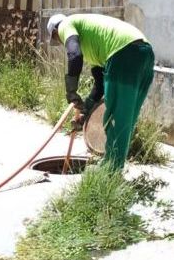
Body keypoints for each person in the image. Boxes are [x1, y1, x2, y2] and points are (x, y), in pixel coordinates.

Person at [46, 13, 155, 169]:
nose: (61, 41)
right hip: (145, 54)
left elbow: (75, 55)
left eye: (57, 38)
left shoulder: (66, 24)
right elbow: (100, 86)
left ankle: (109, 173)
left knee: (114, 119)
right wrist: (85, 112)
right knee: (125, 120)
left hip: (123, 53)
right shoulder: (96, 45)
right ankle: (114, 171)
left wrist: (71, 91)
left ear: (56, 31)